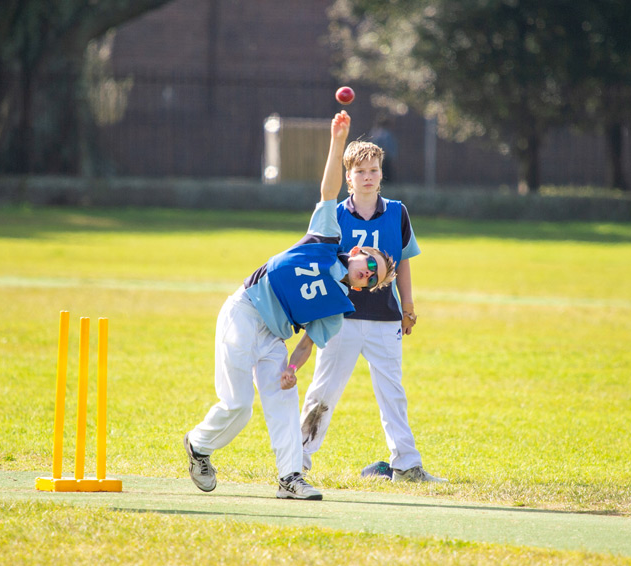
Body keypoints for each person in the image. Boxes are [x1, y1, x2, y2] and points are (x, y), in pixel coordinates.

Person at [184, 111, 397, 501]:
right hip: (245, 309)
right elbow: (329, 190)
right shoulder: (325, 237)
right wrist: (338, 141)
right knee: (238, 406)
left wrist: (292, 369)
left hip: (273, 338)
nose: (367, 272)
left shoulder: (337, 309)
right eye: (369, 262)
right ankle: (198, 445)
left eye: (373, 276)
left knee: (283, 399)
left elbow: (307, 344)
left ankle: (290, 478)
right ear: (356, 251)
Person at [281, 129, 447, 484]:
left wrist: (408, 306)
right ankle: (296, 461)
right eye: (360, 172)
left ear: (381, 173)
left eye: (373, 170)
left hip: (385, 319)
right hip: (340, 318)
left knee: (393, 393)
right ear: (348, 178)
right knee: (323, 392)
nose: (368, 177)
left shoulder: (397, 213)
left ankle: (406, 465)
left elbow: (402, 262)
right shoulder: (336, 215)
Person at [369, 117, 398, 183]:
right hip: (384, 157)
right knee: (385, 173)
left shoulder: (375, 133)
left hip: (378, 157)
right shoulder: (385, 134)